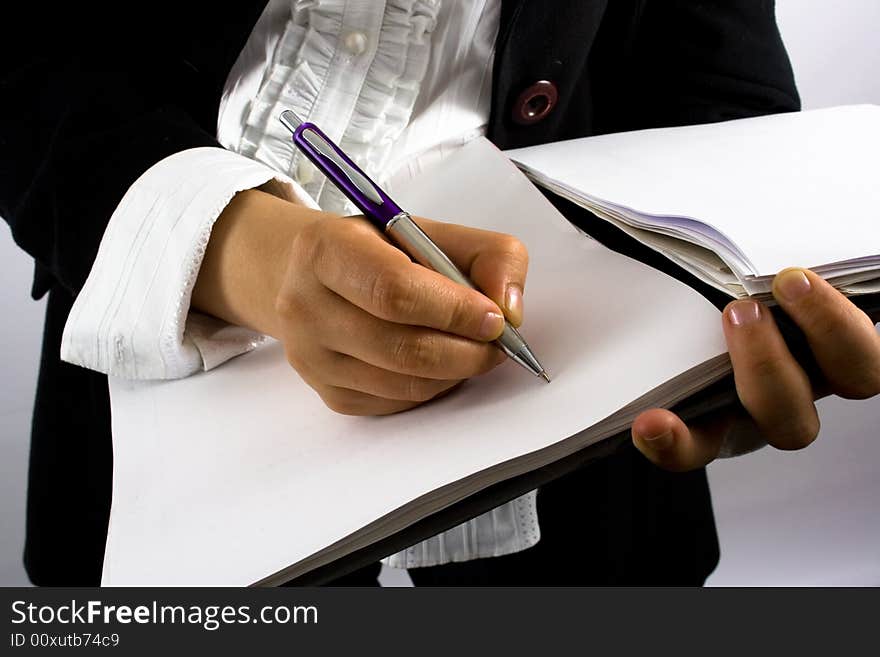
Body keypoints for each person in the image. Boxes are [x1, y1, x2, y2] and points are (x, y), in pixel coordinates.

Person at [2, 1, 878, 586]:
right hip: (146, 450)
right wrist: (235, 245)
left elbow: (724, 102)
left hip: (595, 502)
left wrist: (730, 319)